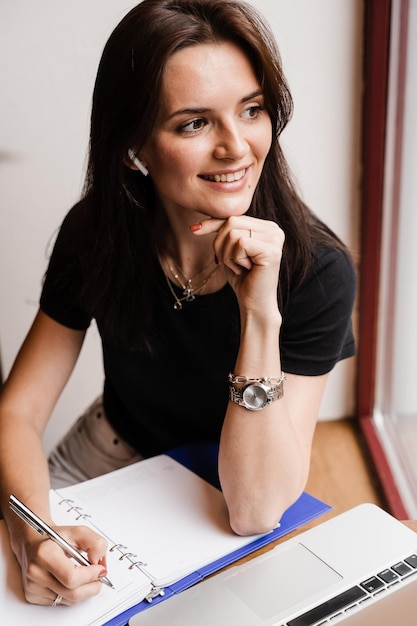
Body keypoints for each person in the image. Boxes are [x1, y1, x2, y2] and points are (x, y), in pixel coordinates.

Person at [0, 0, 356, 608]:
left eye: (251, 110)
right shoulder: (97, 232)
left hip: (222, 485)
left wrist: (260, 313)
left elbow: (254, 510)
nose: (236, 147)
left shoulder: (315, 271)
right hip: (107, 455)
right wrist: (34, 530)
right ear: (133, 145)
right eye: (194, 123)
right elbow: (19, 412)